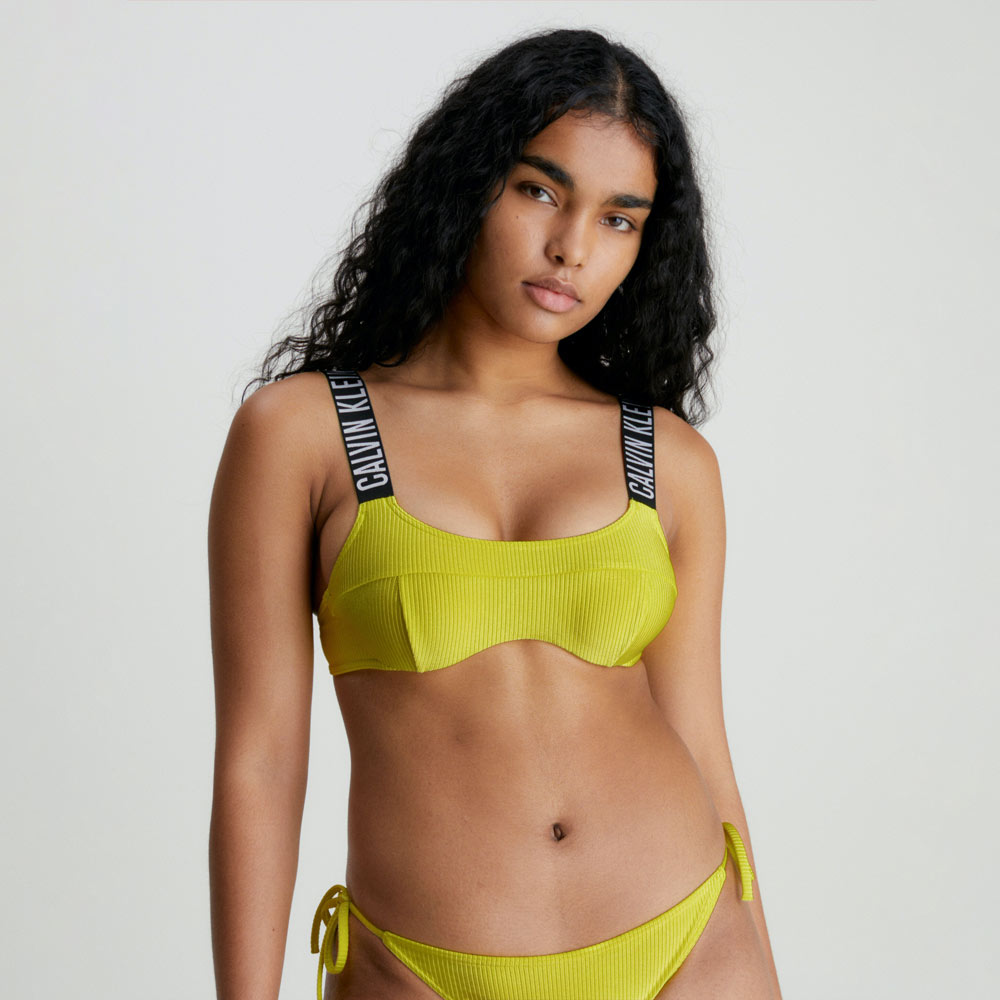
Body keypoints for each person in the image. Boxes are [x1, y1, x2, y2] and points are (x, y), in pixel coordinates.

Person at [208, 26, 782, 1000]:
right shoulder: (302, 432)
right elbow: (260, 762)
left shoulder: (667, 459)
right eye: (540, 191)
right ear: (468, 184)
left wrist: (762, 954)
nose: (571, 247)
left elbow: (701, 741)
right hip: (420, 968)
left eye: (619, 219)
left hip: (690, 943)